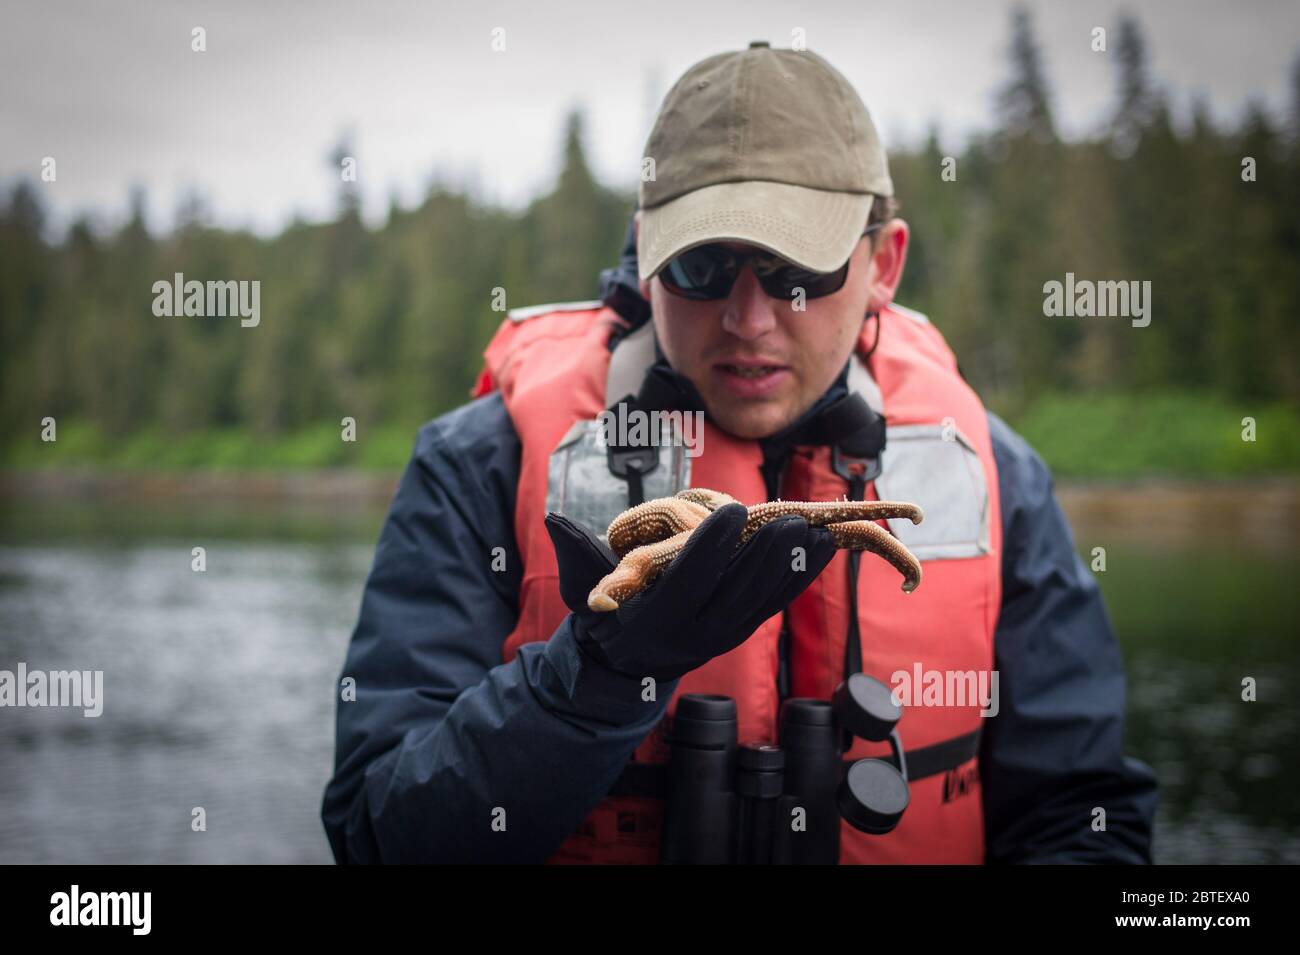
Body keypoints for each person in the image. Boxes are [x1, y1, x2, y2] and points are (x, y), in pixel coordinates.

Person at [321, 41, 1158, 864]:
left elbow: (1081, 816)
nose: (749, 317)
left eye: (798, 269)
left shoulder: (998, 476)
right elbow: (377, 832)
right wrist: (597, 676)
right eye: (703, 264)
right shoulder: (478, 463)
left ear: (885, 263)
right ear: (648, 259)